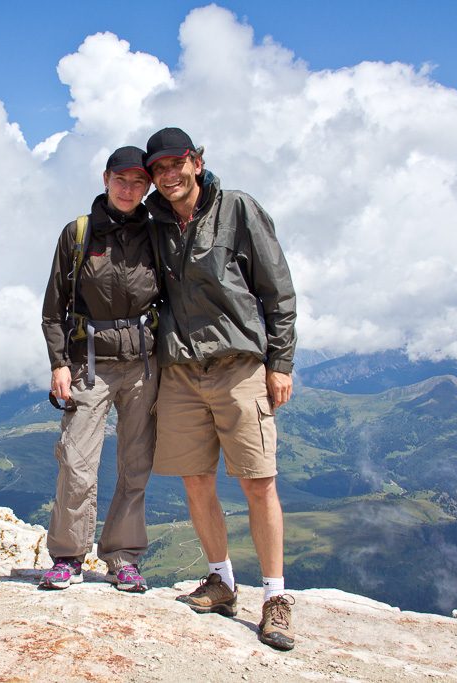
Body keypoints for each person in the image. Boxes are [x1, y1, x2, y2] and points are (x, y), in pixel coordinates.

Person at [143, 127, 298, 650]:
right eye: (158, 169)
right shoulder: (155, 222)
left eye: (176, 163)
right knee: (195, 478)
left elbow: (277, 289)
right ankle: (223, 581)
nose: (169, 175)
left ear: (197, 161)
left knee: (258, 481)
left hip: (238, 367)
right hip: (182, 372)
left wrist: (281, 363)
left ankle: (275, 598)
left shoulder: (237, 209)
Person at [39, 146, 160, 593]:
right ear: (105, 178)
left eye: (138, 183)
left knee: (135, 462)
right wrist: (58, 364)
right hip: (89, 363)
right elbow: (54, 309)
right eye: (121, 180)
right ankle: (68, 556)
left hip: (145, 364)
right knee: (76, 460)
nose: (129, 190)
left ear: (147, 188)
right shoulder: (79, 234)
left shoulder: (156, 234)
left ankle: (123, 557)